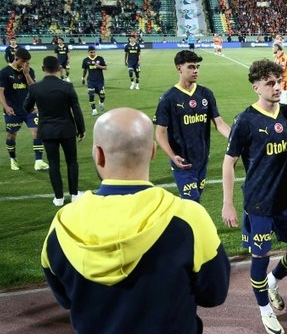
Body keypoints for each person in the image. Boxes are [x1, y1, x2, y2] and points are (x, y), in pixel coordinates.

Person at [41, 107, 230, 334]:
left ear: (98, 154)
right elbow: (214, 295)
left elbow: (66, 299)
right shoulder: (188, 217)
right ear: (152, 151)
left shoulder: (62, 224)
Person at [221, 60, 287, 334]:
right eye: (270, 83)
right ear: (256, 87)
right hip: (259, 203)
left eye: (279, 81)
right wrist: (228, 203)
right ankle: (265, 311)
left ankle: (274, 281)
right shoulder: (245, 120)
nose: (277, 86)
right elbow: (229, 163)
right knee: (259, 261)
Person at [154, 50, 231, 202]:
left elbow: (219, 124)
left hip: (202, 159)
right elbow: (160, 133)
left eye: (197, 67)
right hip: (182, 162)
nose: (195, 70)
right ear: (179, 68)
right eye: (190, 67)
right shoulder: (168, 98)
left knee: (192, 200)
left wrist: (236, 140)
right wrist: (172, 156)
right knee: (193, 201)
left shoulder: (206, 94)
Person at [24, 56, 86, 207]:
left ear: (43, 69)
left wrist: (38, 109)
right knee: (72, 162)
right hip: (67, 129)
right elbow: (76, 109)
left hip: (47, 131)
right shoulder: (67, 87)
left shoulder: (35, 88)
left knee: (53, 163)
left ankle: (58, 198)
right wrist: (81, 129)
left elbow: (26, 107)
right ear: (59, 68)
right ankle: (74, 194)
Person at [0, 47, 49, 171]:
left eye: (27, 62)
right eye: (23, 61)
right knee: (11, 134)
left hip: (30, 109)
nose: (25, 64)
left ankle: (39, 161)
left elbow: (33, 88)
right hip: (13, 110)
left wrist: (26, 74)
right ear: (16, 59)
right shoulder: (4, 72)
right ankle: (13, 159)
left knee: (37, 132)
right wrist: (6, 106)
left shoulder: (29, 71)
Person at [81, 45, 107, 116]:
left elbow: (105, 67)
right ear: (88, 52)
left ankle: (101, 102)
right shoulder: (85, 60)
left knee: (102, 95)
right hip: (90, 81)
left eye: (93, 52)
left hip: (100, 81)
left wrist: (99, 66)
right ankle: (94, 110)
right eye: (91, 52)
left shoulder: (100, 58)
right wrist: (83, 78)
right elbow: (85, 70)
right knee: (91, 95)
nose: (92, 53)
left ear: (95, 52)